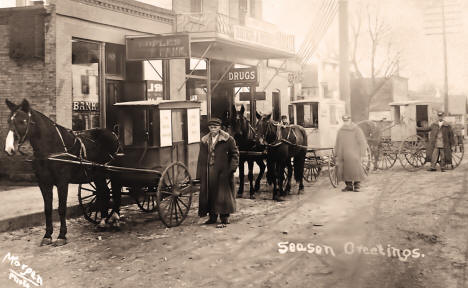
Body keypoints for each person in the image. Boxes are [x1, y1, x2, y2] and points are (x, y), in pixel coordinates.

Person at [197, 117, 239, 227]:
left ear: (219, 127)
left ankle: (224, 217)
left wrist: (231, 169)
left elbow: (235, 155)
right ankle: (212, 217)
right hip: (209, 170)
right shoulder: (205, 140)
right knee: (210, 194)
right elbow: (201, 158)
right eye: (211, 127)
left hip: (223, 171)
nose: (213, 129)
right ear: (209, 128)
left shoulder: (228, 139)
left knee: (223, 195)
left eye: (215, 127)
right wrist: (200, 173)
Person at [335, 115, 368, 192]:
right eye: (344, 121)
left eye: (347, 120)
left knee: (356, 168)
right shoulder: (341, 131)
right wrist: (337, 153)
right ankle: (349, 185)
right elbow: (338, 142)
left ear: (350, 120)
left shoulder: (356, 129)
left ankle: (357, 185)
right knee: (345, 169)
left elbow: (362, 142)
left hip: (355, 153)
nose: (346, 122)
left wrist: (363, 153)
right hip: (343, 153)